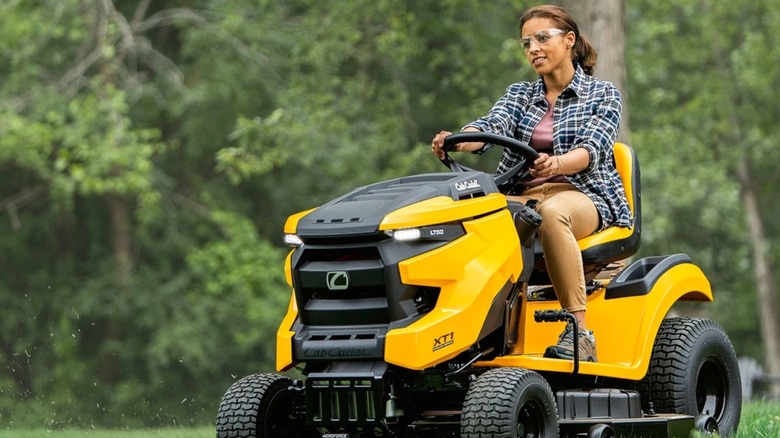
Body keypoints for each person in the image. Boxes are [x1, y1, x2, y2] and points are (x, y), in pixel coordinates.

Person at [431, 5, 632, 362]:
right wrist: (459, 140)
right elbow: (491, 126)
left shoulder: (603, 94)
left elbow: (592, 149)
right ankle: (463, 329)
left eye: (542, 38)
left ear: (569, 40)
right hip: (524, 196)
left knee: (551, 214)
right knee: (465, 218)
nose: (533, 49)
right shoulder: (520, 95)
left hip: (583, 194)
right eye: (526, 43)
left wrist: (557, 163)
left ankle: (580, 333)